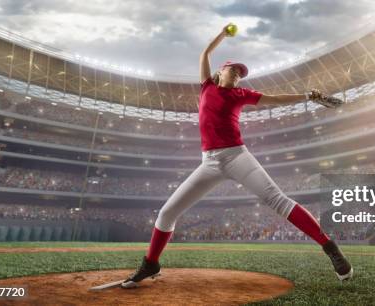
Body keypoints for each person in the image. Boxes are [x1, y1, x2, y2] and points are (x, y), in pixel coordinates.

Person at [121, 23, 352, 289]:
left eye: (240, 74)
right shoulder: (207, 86)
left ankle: (330, 248)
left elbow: (275, 99)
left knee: (278, 200)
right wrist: (222, 34)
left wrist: (305, 96)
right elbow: (204, 54)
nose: (238, 75)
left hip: (236, 156)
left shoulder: (241, 94)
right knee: (166, 213)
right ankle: (151, 263)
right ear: (221, 72)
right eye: (234, 70)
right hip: (209, 162)